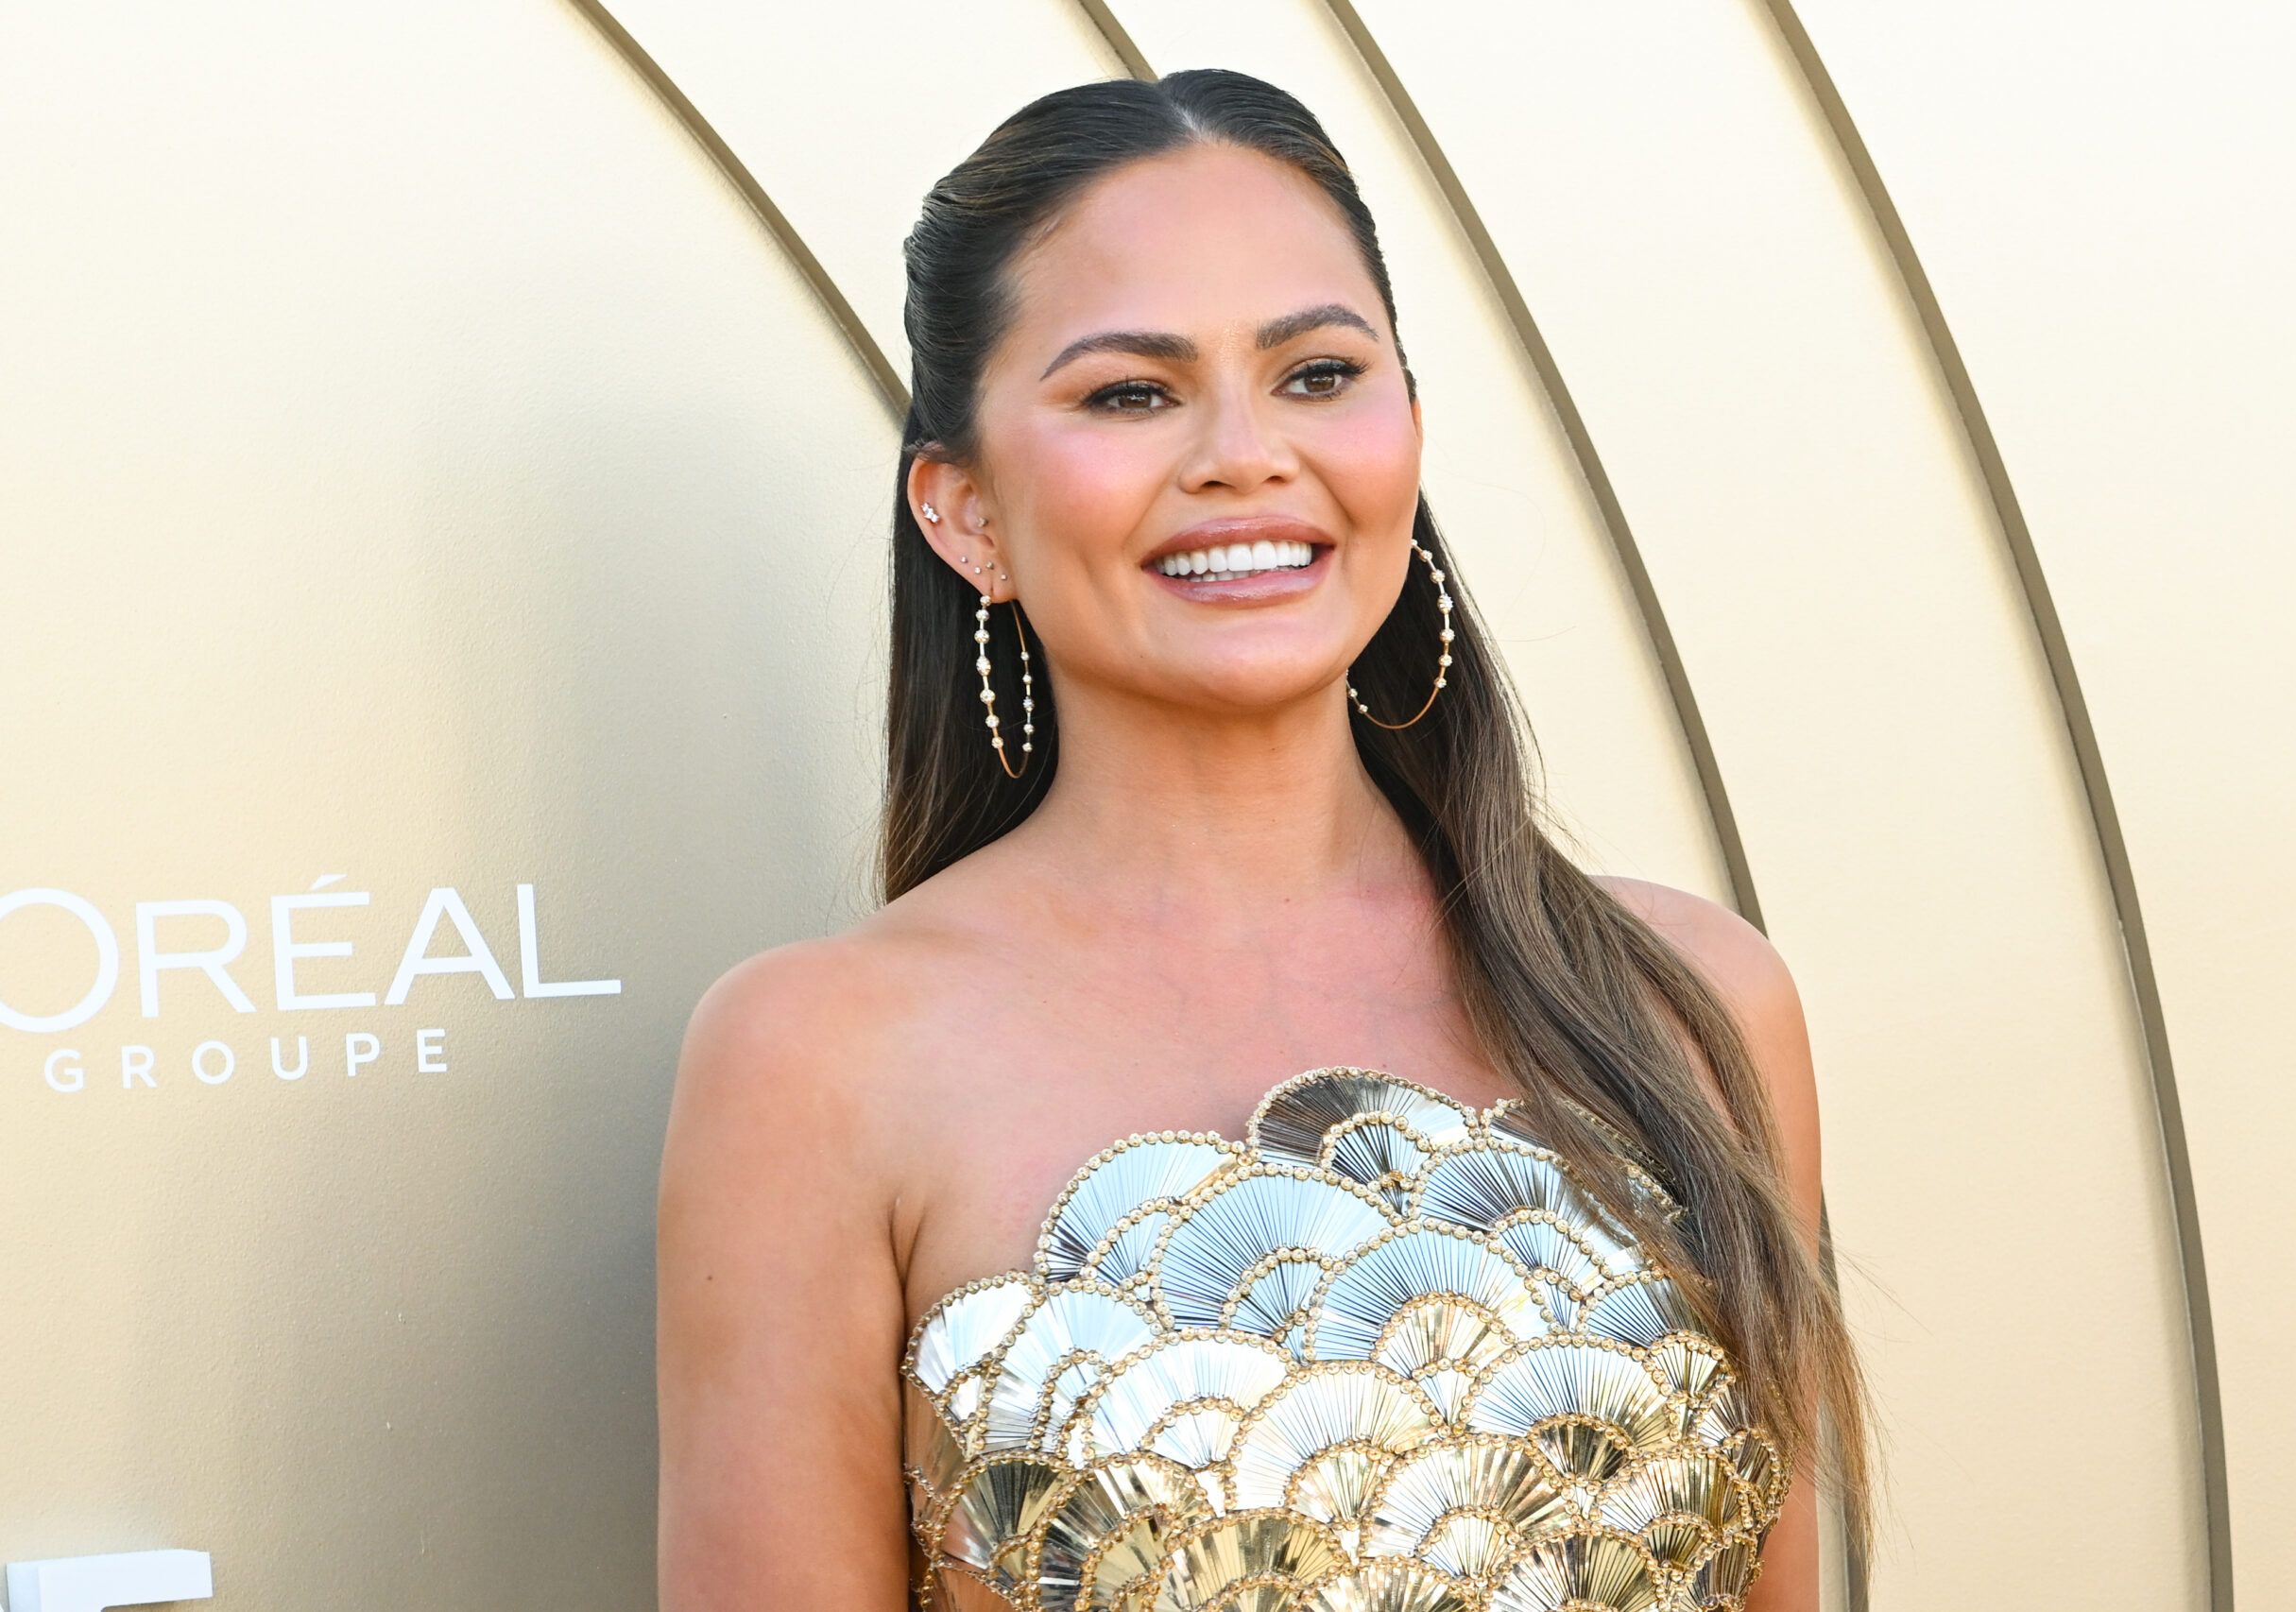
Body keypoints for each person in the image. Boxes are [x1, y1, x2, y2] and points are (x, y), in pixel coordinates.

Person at [655, 68, 1874, 1612]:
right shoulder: (817, 1057)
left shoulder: (1692, 994)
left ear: (1407, 432)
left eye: (1315, 374)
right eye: (1130, 393)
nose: (1245, 452)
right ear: (962, 512)